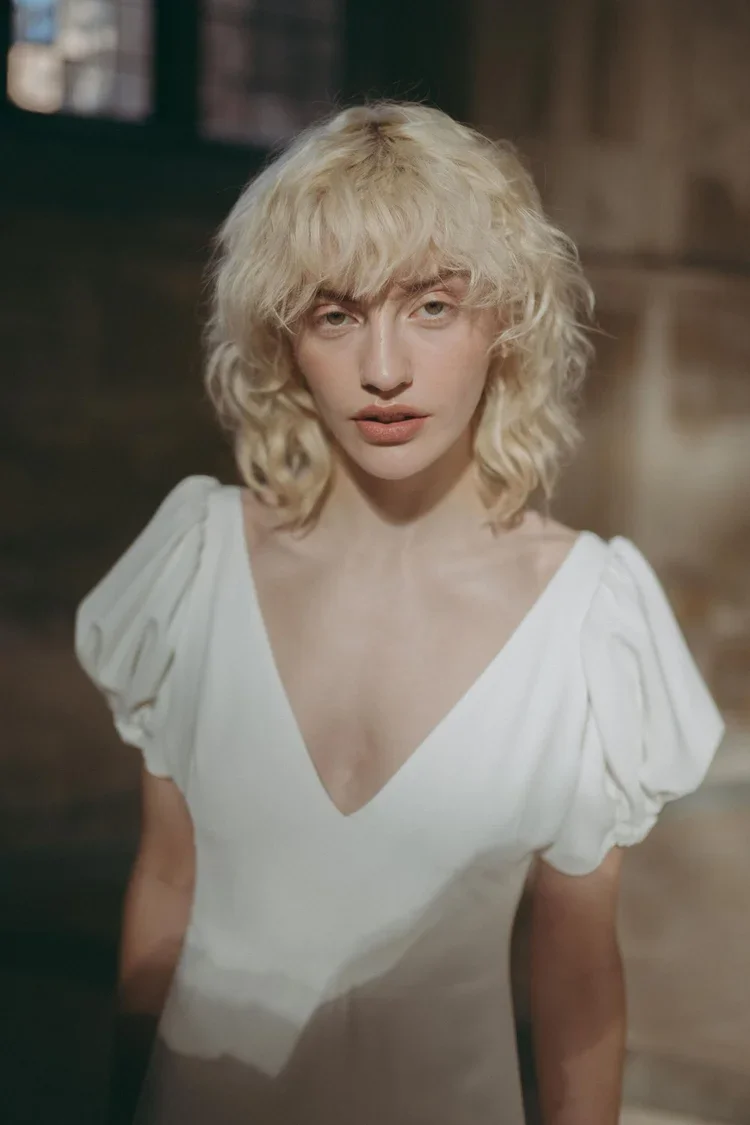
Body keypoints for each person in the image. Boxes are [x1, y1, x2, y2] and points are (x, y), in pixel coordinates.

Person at [75, 102, 725, 1125]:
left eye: (431, 306)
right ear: (285, 339)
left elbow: (576, 980)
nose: (384, 369)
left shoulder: (584, 621)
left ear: (504, 319)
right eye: (336, 313)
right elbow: (166, 881)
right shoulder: (198, 564)